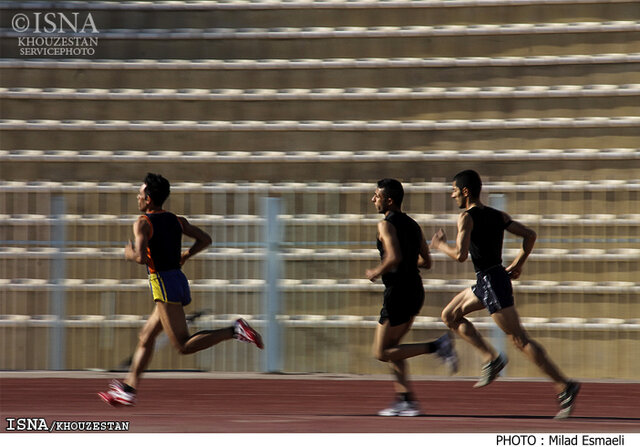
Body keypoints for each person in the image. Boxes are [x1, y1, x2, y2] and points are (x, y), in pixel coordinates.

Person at [99, 173, 264, 406]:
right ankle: (128, 389)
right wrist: (186, 255)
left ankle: (234, 330)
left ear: (148, 199)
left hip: (163, 285)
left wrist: (127, 253)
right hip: (177, 279)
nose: (137, 196)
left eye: (140, 192)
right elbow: (205, 239)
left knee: (183, 345)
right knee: (146, 336)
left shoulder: (143, 223)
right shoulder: (177, 220)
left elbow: (139, 258)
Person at [430, 169, 580, 419]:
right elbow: (530, 236)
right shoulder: (498, 216)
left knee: (520, 340)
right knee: (450, 315)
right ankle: (491, 358)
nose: (452, 194)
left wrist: (439, 245)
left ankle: (565, 386)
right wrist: (520, 262)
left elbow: (460, 255)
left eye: (454, 190)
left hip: (493, 283)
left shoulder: (466, 217)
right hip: (488, 280)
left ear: (466, 191)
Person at [366, 178, 458, 417]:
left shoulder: (385, 225)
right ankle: (406, 401)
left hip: (398, 292)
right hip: (415, 290)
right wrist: (405, 261)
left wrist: (376, 271)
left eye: (376, 195)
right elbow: (426, 262)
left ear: (389, 199)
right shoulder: (414, 225)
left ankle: (437, 346)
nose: (373, 199)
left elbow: (394, 257)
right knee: (394, 349)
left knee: (381, 352)